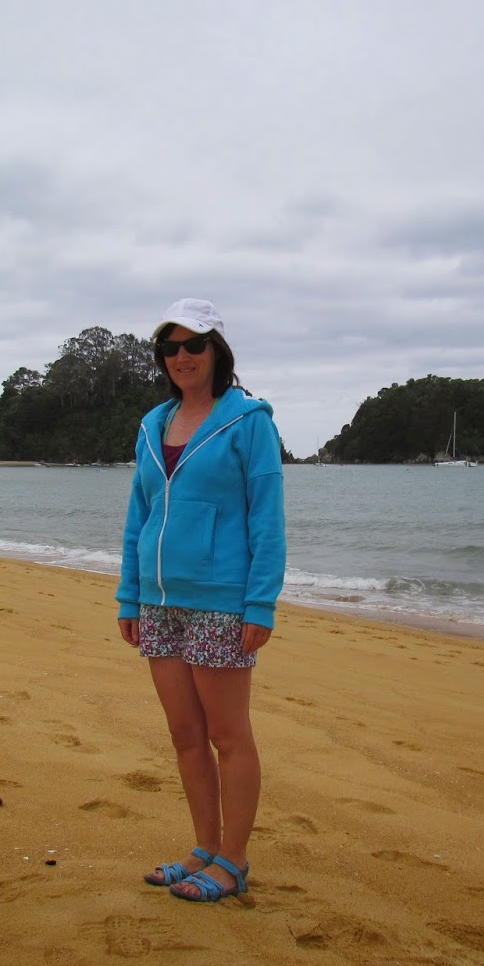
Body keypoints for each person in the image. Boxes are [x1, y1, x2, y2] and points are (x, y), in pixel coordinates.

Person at [117, 299, 286, 904]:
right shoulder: (152, 424)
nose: (182, 356)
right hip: (160, 601)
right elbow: (139, 515)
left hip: (222, 602)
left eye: (194, 344)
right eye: (171, 347)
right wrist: (129, 595)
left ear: (217, 351)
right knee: (184, 734)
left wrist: (260, 603)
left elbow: (267, 518)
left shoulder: (249, 422)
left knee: (228, 734)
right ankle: (205, 849)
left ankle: (234, 861)